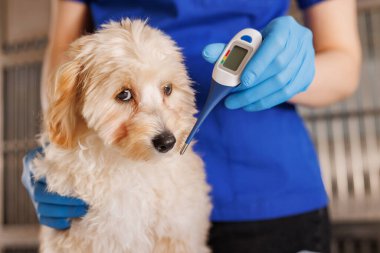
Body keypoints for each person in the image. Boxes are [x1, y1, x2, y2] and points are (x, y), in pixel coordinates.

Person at [22, 0, 361, 252]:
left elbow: (344, 62)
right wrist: (56, 149)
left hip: (269, 191)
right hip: (107, 198)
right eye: (125, 94)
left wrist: (295, 74)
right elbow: (62, 58)